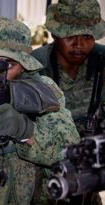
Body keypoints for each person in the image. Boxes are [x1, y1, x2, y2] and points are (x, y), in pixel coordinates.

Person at [0, 17, 80, 205]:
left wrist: (25, 130)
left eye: (8, 65)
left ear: (23, 66)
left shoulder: (39, 90)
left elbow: (71, 152)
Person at [31, 0, 105, 204]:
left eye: (87, 37)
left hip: (89, 179)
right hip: (43, 178)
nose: (79, 45)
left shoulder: (102, 62)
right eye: (70, 36)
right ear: (55, 34)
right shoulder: (34, 67)